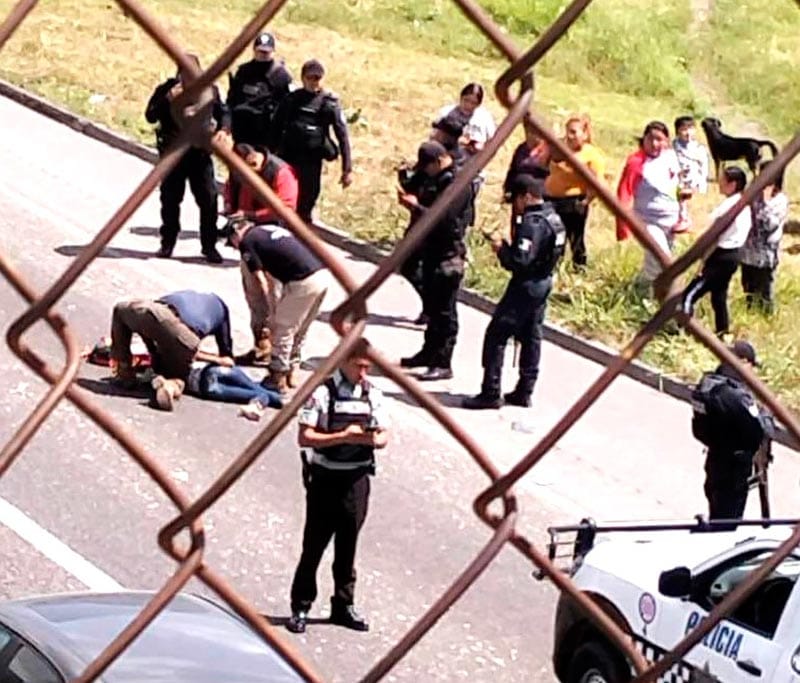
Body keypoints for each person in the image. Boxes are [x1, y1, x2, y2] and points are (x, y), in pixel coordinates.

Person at [286, 338, 389, 634]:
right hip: (325, 478)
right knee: (314, 545)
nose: (363, 373)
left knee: (348, 546)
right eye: (358, 366)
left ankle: (343, 605)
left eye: (367, 367)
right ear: (343, 361)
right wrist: (343, 436)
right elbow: (305, 437)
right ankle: (301, 605)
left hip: (356, 480)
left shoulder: (373, 394)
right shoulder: (322, 393)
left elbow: (382, 437)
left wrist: (364, 438)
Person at [463, 175, 565, 409]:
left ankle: (490, 391)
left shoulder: (533, 223)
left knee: (497, 335)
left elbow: (520, 261)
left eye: (517, 200)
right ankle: (524, 390)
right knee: (531, 336)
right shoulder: (555, 218)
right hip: (544, 281)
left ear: (526, 196)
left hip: (526, 285)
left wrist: (502, 250)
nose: (515, 206)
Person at [398, 141, 474, 381]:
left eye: (428, 167)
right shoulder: (434, 175)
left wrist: (416, 207)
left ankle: (443, 362)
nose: (426, 172)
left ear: (440, 160)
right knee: (433, 306)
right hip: (430, 249)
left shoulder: (456, 184)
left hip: (448, 253)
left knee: (445, 311)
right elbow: (417, 185)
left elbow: (445, 220)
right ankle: (428, 352)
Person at [145, 54, 231, 263]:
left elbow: (224, 112)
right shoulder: (167, 90)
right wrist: (167, 100)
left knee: (209, 200)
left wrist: (225, 129)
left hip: (199, 153)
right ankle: (167, 243)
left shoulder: (210, 91)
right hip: (174, 154)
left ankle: (209, 246)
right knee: (171, 199)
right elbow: (150, 116)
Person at [227, 220, 329, 393]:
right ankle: (292, 370)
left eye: (232, 243)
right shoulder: (268, 231)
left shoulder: (247, 241)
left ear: (236, 234)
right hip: (322, 275)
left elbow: (261, 280)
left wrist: (271, 311)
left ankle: (277, 376)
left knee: (283, 328)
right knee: (301, 329)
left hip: (301, 282)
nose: (235, 248)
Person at [691, 341, 773, 522]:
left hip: (715, 461)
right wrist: (766, 413)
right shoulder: (734, 395)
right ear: (742, 362)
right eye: (751, 366)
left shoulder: (708, 384)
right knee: (727, 524)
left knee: (718, 513)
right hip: (733, 470)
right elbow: (760, 430)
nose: (753, 373)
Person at [110, 290, 234, 410]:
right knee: (178, 375)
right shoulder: (222, 311)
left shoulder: (185, 295)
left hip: (148, 308)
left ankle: (124, 370)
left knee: (119, 312)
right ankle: (169, 386)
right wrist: (216, 359)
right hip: (180, 333)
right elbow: (226, 359)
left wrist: (153, 354)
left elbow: (155, 327)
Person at [270, 59, 353, 222]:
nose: (314, 82)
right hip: (288, 157)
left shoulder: (329, 104)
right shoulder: (292, 99)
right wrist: (269, 155)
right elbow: (275, 127)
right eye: (310, 78)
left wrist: (347, 169)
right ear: (303, 78)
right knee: (284, 200)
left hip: (312, 161)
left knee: (306, 204)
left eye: (318, 78)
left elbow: (342, 136)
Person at [681, 166, 751, 336]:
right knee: (718, 296)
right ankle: (722, 332)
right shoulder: (743, 204)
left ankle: (684, 329)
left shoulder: (729, 207)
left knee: (689, 294)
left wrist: (702, 261)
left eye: (723, 181)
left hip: (721, 255)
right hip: (735, 255)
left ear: (733, 184)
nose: (719, 184)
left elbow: (715, 236)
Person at [616, 121, 681, 286]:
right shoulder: (636, 162)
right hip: (647, 221)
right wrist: (623, 225)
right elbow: (624, 192)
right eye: (650, 139)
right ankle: (650, 296)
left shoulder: (671, 158)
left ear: (667, 141)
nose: (654, 144)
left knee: (658, 261)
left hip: (671, 220)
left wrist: (683, 215)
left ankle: (639, 287)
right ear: (643, 139)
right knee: (661, 257)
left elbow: (678, 187)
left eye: (659, 139)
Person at [544, 113, 606, 268]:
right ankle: (552, 267)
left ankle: (579, 268)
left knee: (575, 239)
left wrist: (585, 201)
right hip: (551, 200)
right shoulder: (559, 148)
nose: (569, 136)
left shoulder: (590, 155)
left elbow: (598, 183)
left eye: (574, 132)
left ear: (584, 134)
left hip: (574, 202)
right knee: (553, 237)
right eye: (567, 131)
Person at [434, 82, 496, 227]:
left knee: (462, 212)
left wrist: (479, 151)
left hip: (471, 171)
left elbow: (493, 145)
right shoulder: (447, 113)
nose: (468, 106)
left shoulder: (484, 119)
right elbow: (434, 139)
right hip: (447, 167)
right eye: (466, 100)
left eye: (473, 103)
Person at [226, 32, 292, 147]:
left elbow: (287, 107)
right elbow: (231, 100)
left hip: (266, 135)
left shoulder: (281, 76)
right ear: (254, 50)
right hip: (241, 131)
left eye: (267, 52)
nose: (263, 54)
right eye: (260, 51)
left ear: (273, 52)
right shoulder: (243, 71)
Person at [740, 160, 789, 312]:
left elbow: (768, 225)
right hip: (748, 253)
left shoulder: (780, 200)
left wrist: (765, 201)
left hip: (766, 256)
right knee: (749, 291)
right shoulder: (752, 195)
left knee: (765, 295)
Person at [672, 115, 710, 233]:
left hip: (693, 182)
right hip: (677, 181)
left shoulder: (699, 149)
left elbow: (704, 167)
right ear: (677, 131)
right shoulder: (672, 147)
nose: (688, 133)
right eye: (684, 129)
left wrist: (702, 184)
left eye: (691, 129)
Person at [503, 117, 550, 198]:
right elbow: (513, 170)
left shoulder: (549, 151)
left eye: (534, 131)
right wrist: (508, 189)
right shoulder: (521, 148)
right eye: (528, 130)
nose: (530, 134)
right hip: (519, 196)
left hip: (539, 196)